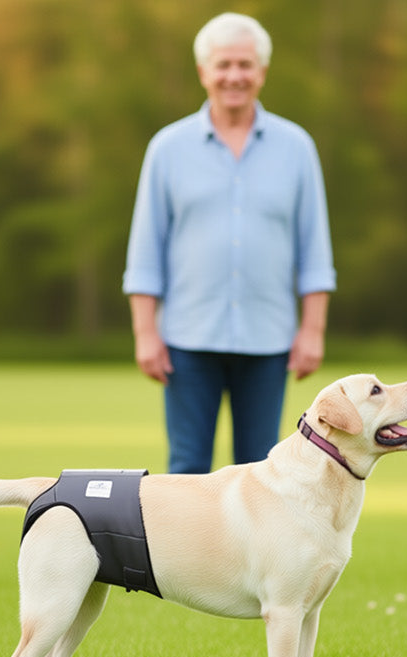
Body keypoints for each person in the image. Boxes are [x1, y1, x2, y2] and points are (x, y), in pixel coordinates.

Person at [123, 12, 335, 475]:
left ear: (261, 71)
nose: (233, 76)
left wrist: (313, 329)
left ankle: (254, 554)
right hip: (185, 339)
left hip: (269, 338)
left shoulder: (296, 147)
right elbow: (146, 250)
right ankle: (184, 552)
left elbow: (314, 249)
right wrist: (145, 332)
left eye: (245, 64)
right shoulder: (168, 148)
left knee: (262, 474)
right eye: (223, 65)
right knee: (185, 471)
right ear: (204, 72)